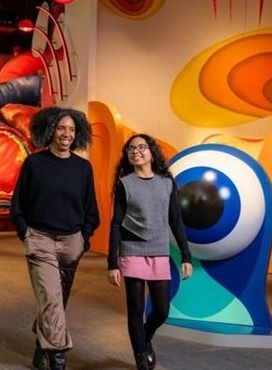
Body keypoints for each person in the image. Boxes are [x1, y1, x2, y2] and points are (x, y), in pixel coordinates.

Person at [10, 106, 99, 370]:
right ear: (50, 130)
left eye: (71, 129)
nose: (66, 134)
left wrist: (84, 238)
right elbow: (18, 203)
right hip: (40, 238)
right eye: (61, 128)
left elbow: (90, 209)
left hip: (72, 242)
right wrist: (25, 232)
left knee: (56, 301)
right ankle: (57, 356)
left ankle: (41, 345)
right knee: (50, 296)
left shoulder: (83, 168)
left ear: (77, 134)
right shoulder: (34, 163)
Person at [108, 134, 192, 370]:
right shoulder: (125, 184)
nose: (136, 151)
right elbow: (116, 224)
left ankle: (144, 339)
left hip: (159, 251)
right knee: (135, 310)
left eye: (141, 147)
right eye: (131, 149)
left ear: (152, 153)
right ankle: (141, 359)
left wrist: (186, 256)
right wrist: (112, 262)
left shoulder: (166, 184)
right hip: (132, 250)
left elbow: (176, 221)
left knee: (162, 310)